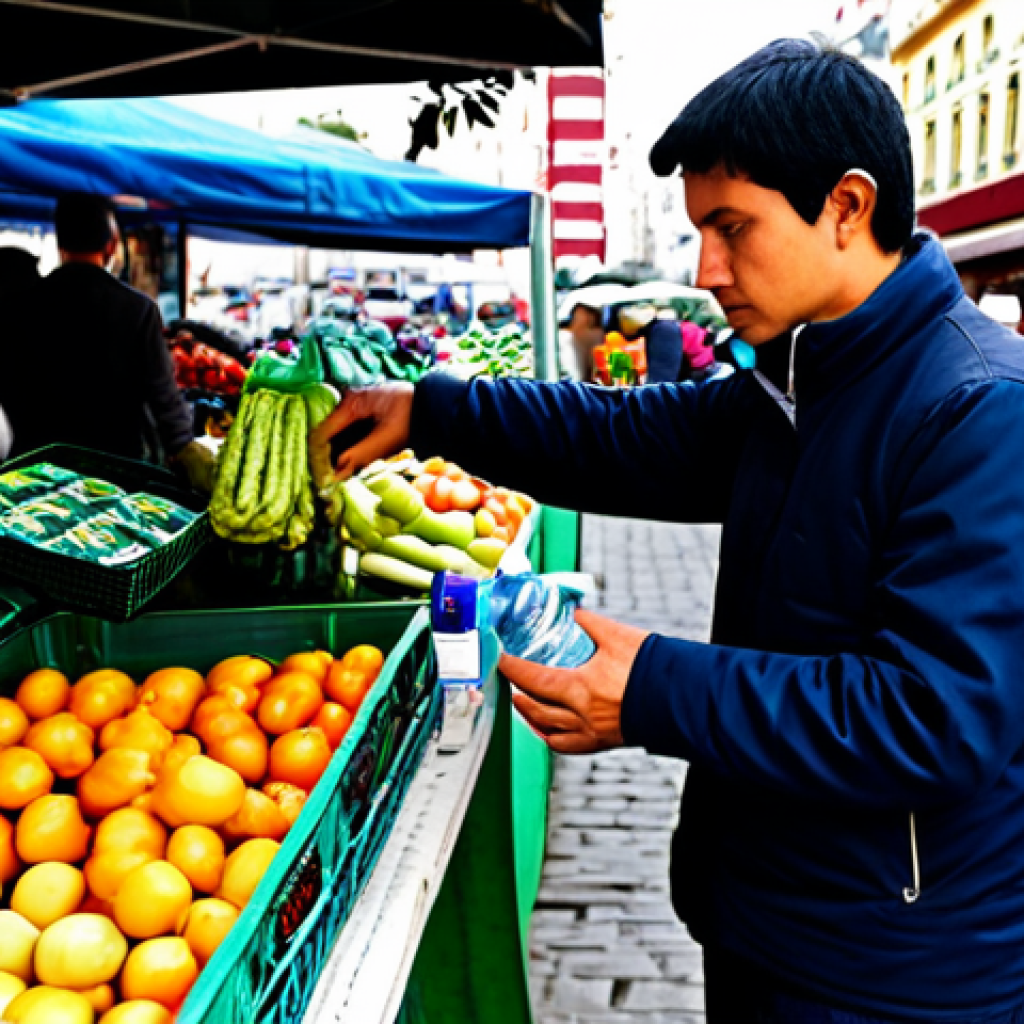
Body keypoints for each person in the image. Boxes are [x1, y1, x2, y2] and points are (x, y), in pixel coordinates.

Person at [311, 38, 1024, 1022]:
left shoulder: (979, 409)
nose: (705, 269)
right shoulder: (795, 382)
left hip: (894, 976)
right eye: (698, 231)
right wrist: (431, 410)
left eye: (733, 228)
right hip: (759, 926)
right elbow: (621, 436)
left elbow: (934, 717)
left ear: (848, 207)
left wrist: (650, 685)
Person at [0, 194, 212, 487]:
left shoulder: (19, 306)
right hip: (113, 478)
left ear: (60, 243)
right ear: (111, 245)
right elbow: (165, 401)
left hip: (35, 474)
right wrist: (186, 450)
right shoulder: (138, 310)